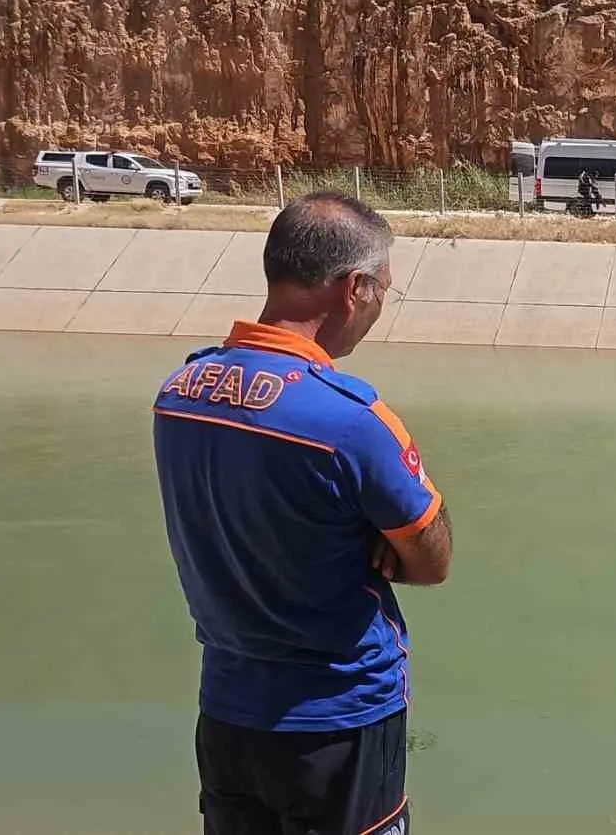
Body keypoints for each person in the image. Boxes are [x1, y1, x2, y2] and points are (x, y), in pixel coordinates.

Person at [153, 192, 452, 835]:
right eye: (383, 293)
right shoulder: (349, 420)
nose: (377, 312)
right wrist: (384, 534)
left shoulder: (179, 393)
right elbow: (431, 559)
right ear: (353, 289)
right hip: (339, 718)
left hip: (229, 709)